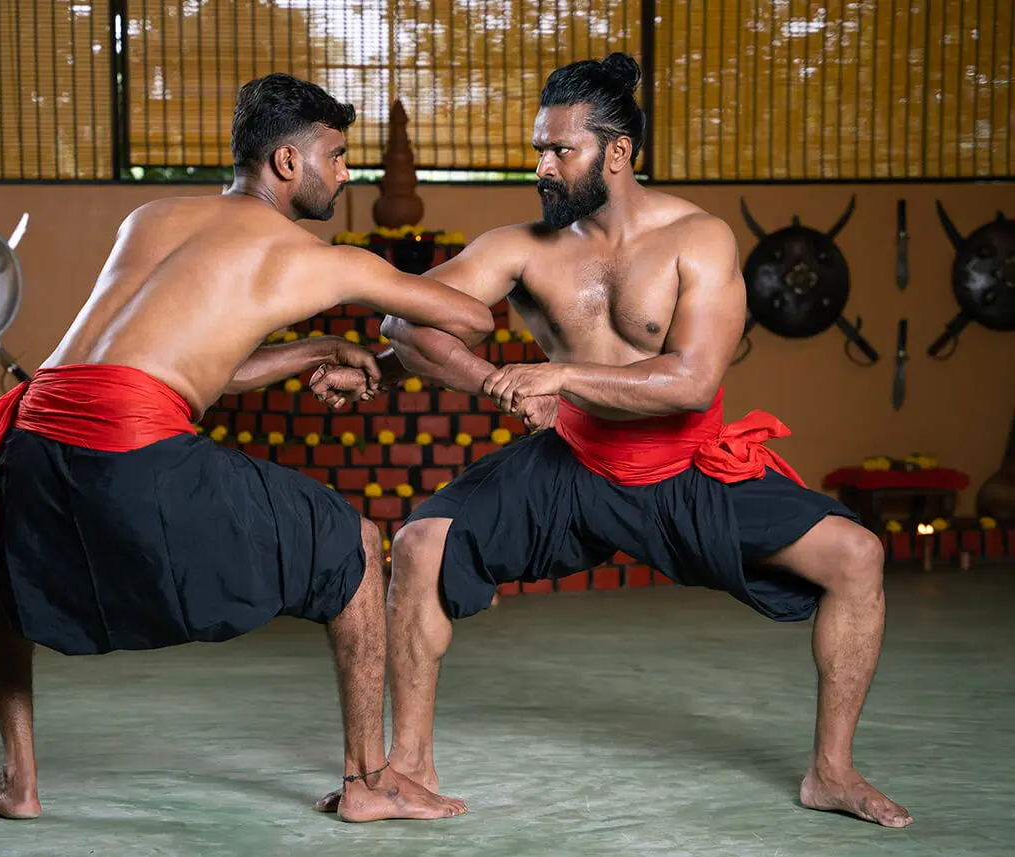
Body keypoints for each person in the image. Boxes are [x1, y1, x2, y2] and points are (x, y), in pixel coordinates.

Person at [318, 53, 912, 828]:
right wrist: (460, 376)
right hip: (573, 461)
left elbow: (692, 380)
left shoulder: (697, 239)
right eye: (539, 148)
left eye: (561, 150)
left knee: (856, 556)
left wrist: (554, 377)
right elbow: (407, 321)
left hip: (683, 464)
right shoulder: (522, 247)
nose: (542, 166)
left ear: (618, 153)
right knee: (425, 539)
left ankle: (831, 772)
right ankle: (408, 768)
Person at [0, 72, 494, 824]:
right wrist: (392, 313)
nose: (347, 171)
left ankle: (17, 781)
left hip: (35, 440)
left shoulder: (150, 217)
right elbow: (471, 317)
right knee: (355, 544)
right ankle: (368, 780)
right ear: (288, 164)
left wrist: (309, 351)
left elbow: (172, 369)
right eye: (335, 155)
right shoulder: (321, 260)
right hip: (133, 453)